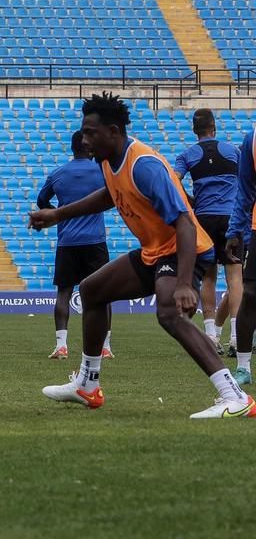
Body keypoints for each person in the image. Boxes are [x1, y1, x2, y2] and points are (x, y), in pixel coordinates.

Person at [31, 92, 252, 419]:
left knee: (169, 312)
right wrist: (57, 215)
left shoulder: (144, 164)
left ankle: (235, 396)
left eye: (91, 132)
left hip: (182, 249)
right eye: (84, 132)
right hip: (156, 251)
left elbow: (185, 223)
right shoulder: (108, 161)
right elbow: (110, 195)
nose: (84, 139)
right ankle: (87, 385)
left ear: (114, 132)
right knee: (92, 290)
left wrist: (184, 284)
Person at [35, 131, 112, 360]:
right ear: (89, 148)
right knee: (103, 294)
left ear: (72, 148)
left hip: (67, 241)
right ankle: (105, 347)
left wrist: (58, 214)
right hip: (95, 241)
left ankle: (61, 346)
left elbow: (41, 201)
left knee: (64, 293)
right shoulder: (101, 171)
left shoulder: (58, 173)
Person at [175, 108, 242, 356]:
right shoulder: (233, 151)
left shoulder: (187, 155)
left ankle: (211, 336)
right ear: (214, 128)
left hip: (203, 219)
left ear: (195, 131)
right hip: (231, 218)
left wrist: (190, 201)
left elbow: (173, 181)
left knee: (208, 277)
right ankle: (236, 337)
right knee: (235, 277)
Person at [224, 124, 256, 386]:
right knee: (251, 295)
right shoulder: (252, 140)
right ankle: (243, 367)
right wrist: (234, 231)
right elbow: (245, 190)